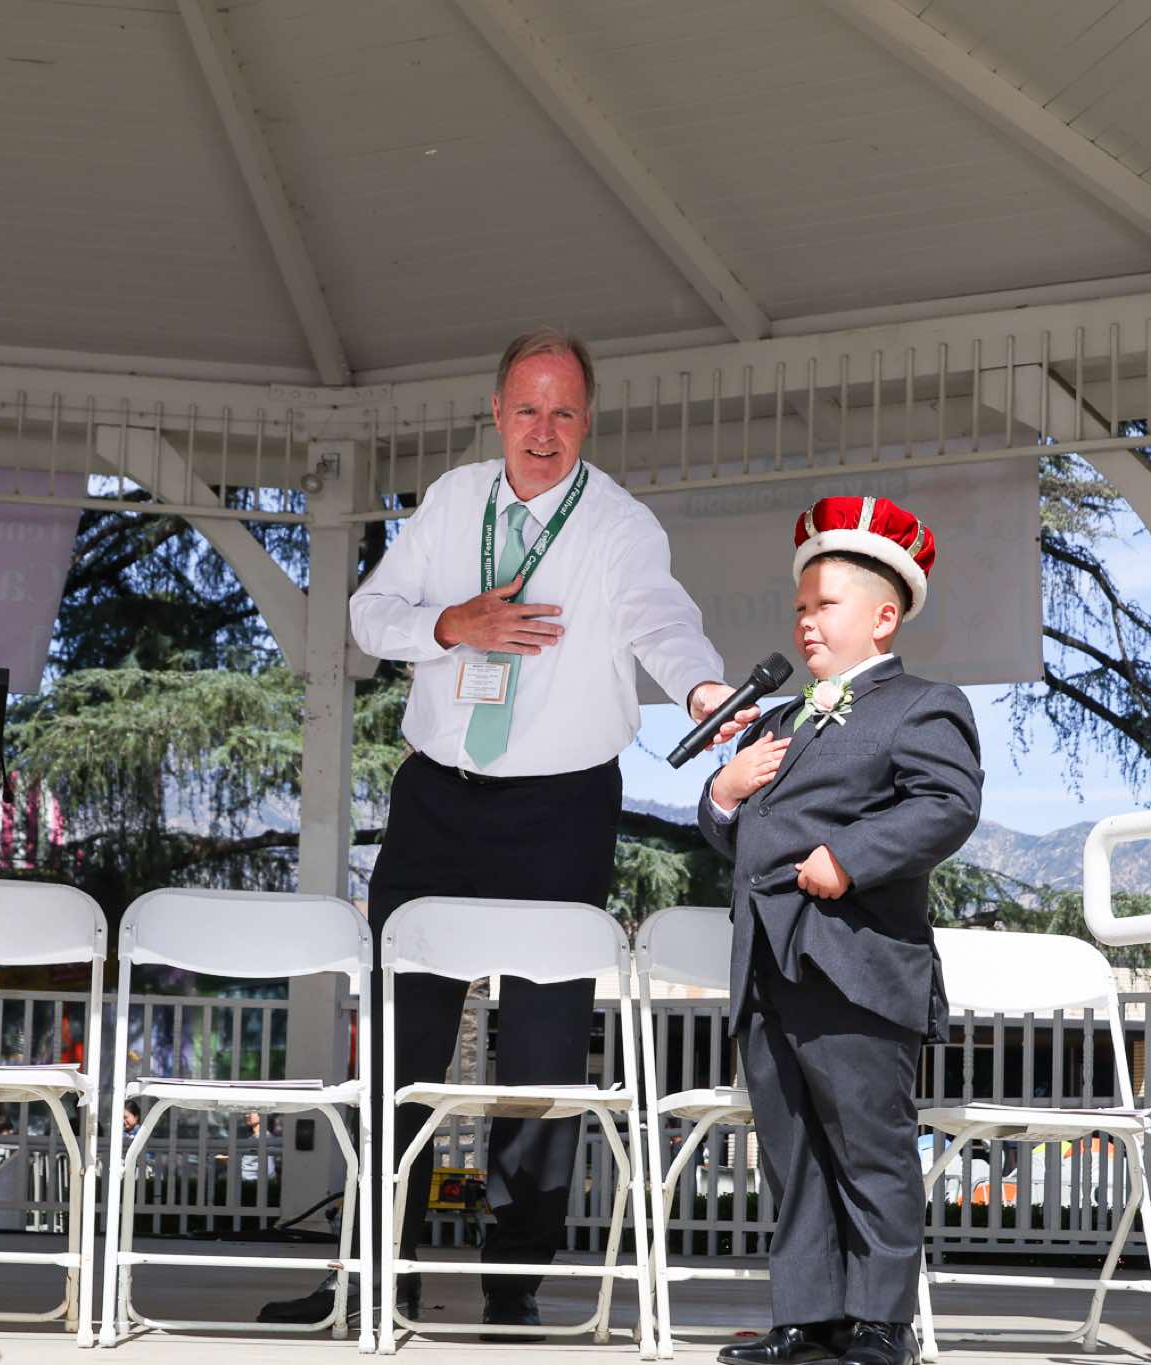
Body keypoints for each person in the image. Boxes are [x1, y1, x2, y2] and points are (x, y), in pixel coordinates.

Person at [259, 328, 754, 1335]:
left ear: (588, 421)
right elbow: (369, 615)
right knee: (402, 1038)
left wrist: (702, 685)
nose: (543, 430)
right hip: (436, 802)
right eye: (526, 409)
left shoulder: (616, 523)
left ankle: (514, 1284)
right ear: (495, 413)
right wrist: (453, 626)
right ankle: (375, 1273)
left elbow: (659, 617)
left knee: (541, 1055)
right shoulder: (454, 502)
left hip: (558, 811)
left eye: (563, 412)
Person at [698, 496, 984, 1365]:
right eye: (800, 606)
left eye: (825, 603)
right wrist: (724, 794)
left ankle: (880, 1321)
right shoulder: (781, 717)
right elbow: (739, 833)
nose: (806, 620)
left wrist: (849, 858)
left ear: (883, 617)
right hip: (768, 958)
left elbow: (947, 803)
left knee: (869, 1144)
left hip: (854, 960)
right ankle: (806, 1316)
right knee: (791, 1149)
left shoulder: (923, 704)